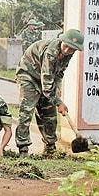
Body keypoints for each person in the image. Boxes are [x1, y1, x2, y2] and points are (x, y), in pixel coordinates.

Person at [15, 28, 84, 157]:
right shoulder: (51, 52)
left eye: (72, 49)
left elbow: (59, 73)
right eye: (66, 46)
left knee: (49, 113)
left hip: (44, 78)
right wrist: (59, 103)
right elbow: (47, 87)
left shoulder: (68, 54)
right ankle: (23, 149)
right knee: (26, 111)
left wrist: (57, 87)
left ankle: (50, 148)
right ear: (62, 40)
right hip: (28, 76)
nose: (67, 50)